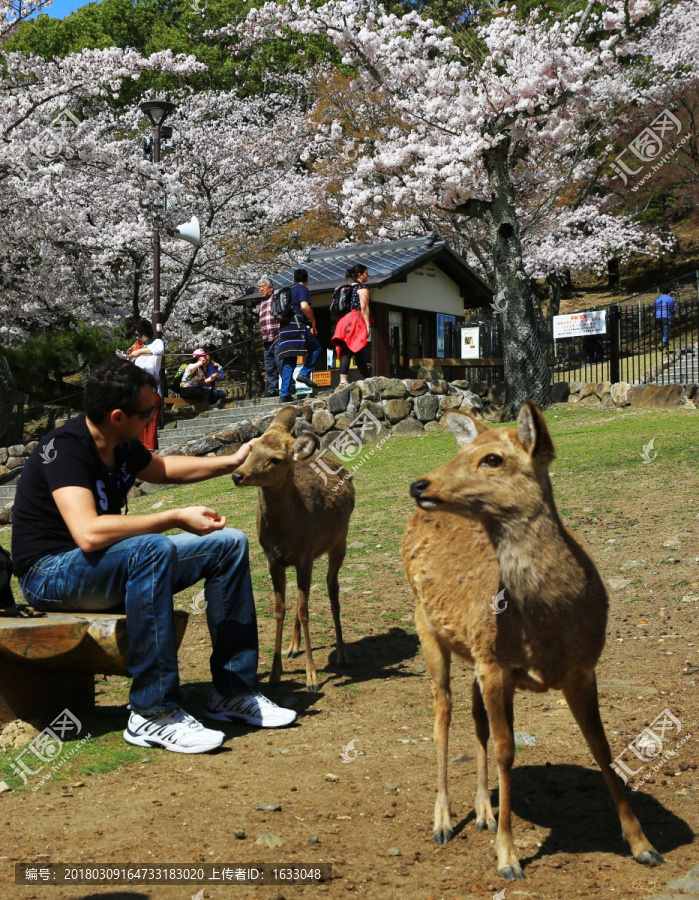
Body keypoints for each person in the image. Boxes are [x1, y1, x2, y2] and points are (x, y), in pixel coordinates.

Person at [11, 358, 296, 754]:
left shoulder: (121, 443)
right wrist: (175, 517)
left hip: (107, 565)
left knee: (228, 543)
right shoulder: (65, 449)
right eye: (147, 413)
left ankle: (232, 691)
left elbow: (164, 470)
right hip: (52, 575)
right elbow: (89, 533)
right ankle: (151, 712)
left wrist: (232, 461)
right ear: (116, 416)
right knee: (152, 547)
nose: (151, 418)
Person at [278, 268, 322, 403]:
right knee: (316, 348)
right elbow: (304, 306)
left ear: (293, 279)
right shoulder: (301, 289)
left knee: (289, 361)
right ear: (306, 280)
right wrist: (313, 320)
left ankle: (284, 394)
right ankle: (304, 373)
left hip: (284, 328)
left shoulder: (287, 291)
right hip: (297, 326)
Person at [125, 318, 164, 451]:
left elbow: (159, 351)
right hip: (137, 388)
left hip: (151, 389)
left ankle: (149, 451)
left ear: (146, 332)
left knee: (150, 423)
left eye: (139, 335)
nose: (137, 337)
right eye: (135, 335)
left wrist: (140, 352)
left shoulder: (157, 342)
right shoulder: (135, 346)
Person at [331, 264, 371, 383]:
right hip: (355, 320)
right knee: (348, 349)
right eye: (366, 273)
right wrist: (367, 325)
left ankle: (369, 379)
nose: (367, 275)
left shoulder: (345, 289)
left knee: (357, 351)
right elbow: (364, 308)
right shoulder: (362, 289)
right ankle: (343, 381)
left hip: (344, 320)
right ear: (360, 275)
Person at [257, 277, 282, 397]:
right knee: (270, 367)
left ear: (271, 288)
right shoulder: (261, 303)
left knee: (280, 363)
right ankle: (273, 389)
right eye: (259, 287)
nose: (261, 289)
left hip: (277, 336)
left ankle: (288, 385)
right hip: (266, 339)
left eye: (263, 286)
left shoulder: (275, 299)